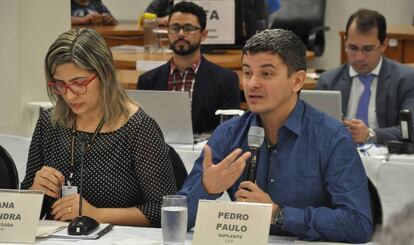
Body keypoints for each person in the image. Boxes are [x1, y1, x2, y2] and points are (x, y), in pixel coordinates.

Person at [178, 29, 373, 243]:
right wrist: (206, 189)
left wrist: (278, 214)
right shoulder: (229, 133)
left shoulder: (331, 137)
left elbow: (357, 224)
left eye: (266, 74)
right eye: (247, 72)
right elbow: (176, 217)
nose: (252, 84)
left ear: (297, 81)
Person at [20, 28, 176, 227]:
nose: (69, 95)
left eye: (80, 83)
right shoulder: (49, 122)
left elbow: (163, 210)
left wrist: (98, 215)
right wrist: (35, 191)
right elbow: (25, 206)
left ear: (106, 75)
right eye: (60, 85)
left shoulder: (138, 128)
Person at [137, 1, 240, 134]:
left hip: (206, 152)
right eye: (174, 28)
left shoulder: (226, 80)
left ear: (204, 34)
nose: (180, 34)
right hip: (159, 152)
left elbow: (230, 133)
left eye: (188, 28)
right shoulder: (147, 81)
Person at [317, 9, 414, 144]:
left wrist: (370, 134)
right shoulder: (328, 81)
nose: (359, 57)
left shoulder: (406, 79)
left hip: (386, 158)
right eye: (353, 48)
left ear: (384, 44)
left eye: (368, 49)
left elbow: (411, 129)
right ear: (345, 41)